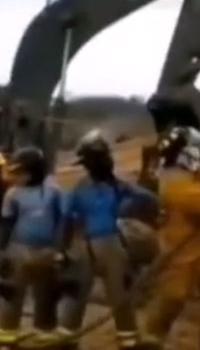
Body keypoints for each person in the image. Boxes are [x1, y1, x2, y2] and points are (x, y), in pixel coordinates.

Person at [61, 130, 158, 350]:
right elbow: (149, 200)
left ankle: (122, 340)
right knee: (101, 295)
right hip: (101, 243)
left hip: (96, 244)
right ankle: (123, 340)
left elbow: (148, 199)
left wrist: (63, 249)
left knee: (111, 295)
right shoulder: (105, 186)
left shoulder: (108, 185)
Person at [143, 126, 200, 350]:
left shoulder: (197, 171)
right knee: (174, 297)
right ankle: (151, 338)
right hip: (181, 250)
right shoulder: (172, 180)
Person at [0, 147, 66, 347]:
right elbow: (6, 225)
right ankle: (6, 336)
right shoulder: (12, 194)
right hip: (19, 250)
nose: (15, 177)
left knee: (46, 296)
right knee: (13, 295)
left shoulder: (54, 192)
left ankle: (45, 334)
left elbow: (62, 222)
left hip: (47, 252)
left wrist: (61, 250)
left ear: (34, 171)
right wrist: (0, 252)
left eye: (20, 172)